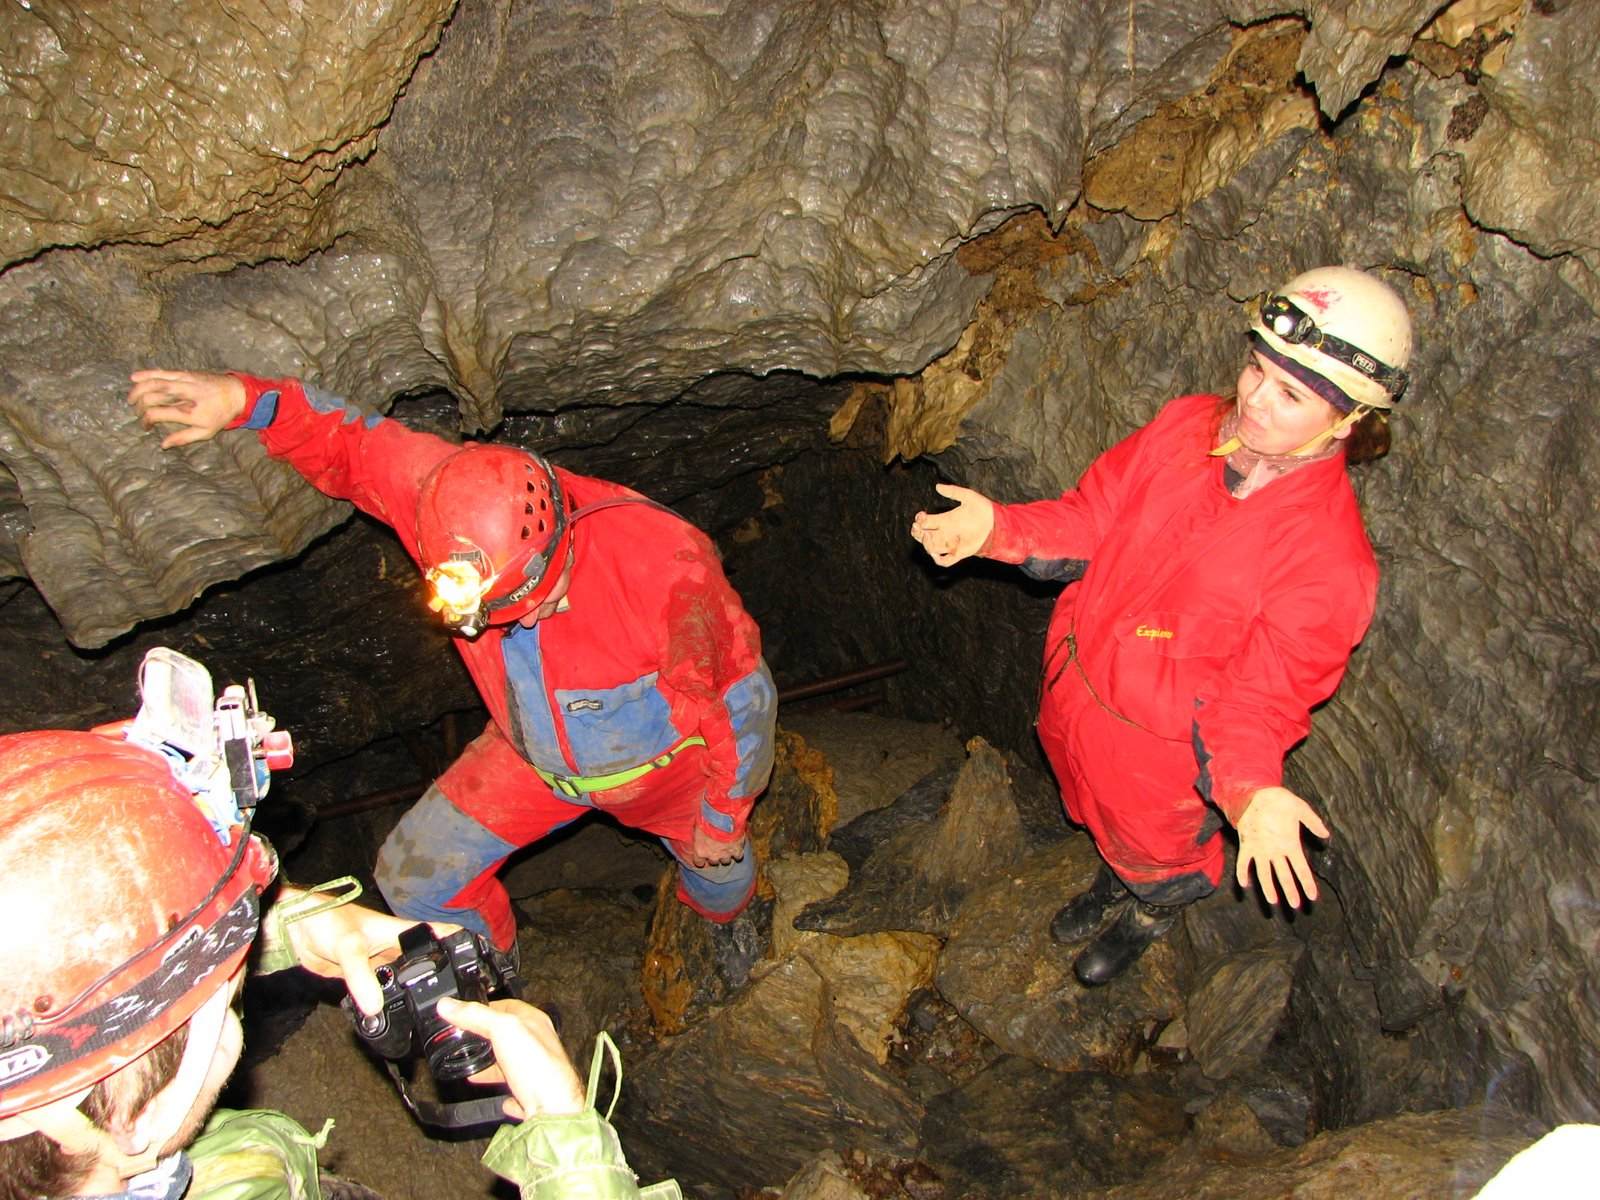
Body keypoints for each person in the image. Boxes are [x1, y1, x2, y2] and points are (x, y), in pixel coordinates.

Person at [127, 369, 778, 957]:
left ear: (563, 537)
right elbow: (352, 442)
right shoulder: (444, 503)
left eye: (542, 600)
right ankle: (489, 982)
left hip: (666, 769)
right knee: (412, 879)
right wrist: (244, 401)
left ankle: (725, 926)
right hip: (531, 756)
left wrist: (722, 819)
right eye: (503, 615)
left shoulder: (665, 566)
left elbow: (742, 702)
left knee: (719, 870)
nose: (528, 622)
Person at [911, 266, 1412, 986]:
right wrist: (999, 528)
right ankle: (1114, 880)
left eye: (1291, 395)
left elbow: (1259, 701)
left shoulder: (1328, 562)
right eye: (1257, 368)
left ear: (1351, 419)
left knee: (1156, 849)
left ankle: (1151, 911)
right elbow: (1094, 516)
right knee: (1094, 813)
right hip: (1078, 687)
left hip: (1162, 757)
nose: (1254, 400)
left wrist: (1250, 791)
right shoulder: (1187, 427)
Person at [0, 725, 678, 1199]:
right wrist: (570, 1147)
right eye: (226, 990)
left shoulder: (84, 1133)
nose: (241, 974)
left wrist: (296, 924)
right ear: (139, 1120)